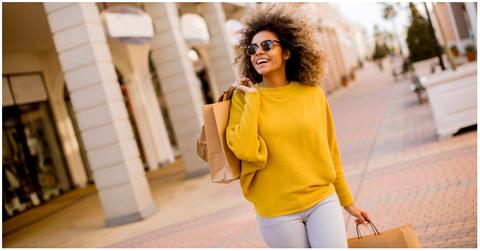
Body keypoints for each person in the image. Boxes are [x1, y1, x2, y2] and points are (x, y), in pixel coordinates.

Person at [226, 4, 372, 248]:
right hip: (276, 211)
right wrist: (252, 101)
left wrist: (348, 203)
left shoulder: (312, 93)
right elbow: (245, 151)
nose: (258, 52)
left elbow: (330, 151)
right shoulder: (243, 98)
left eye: (267, 45)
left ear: (287, 52)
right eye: (252, 48)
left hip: (321, 200)